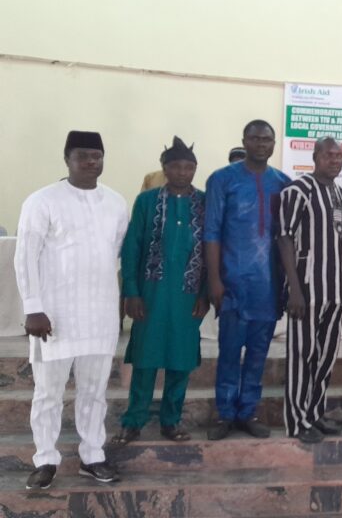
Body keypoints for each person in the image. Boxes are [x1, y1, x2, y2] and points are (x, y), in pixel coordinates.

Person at [15, 131, 128, 489]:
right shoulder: (42, 200)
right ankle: (45, 459)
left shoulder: (116, 202)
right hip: (54, 316)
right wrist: (33, 307)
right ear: (67, 159)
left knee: (94, 391)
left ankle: (92, 455)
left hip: (100, 313)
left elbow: (116, 252)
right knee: (48, 392)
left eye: (97, 155)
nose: (91, 162)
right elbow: (25, 256)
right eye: (83, 156)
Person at [112, 137, 209, 447]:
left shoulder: (205, 203)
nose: (183, 172)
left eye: (189, 167)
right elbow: (132, 248)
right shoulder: (147, 201)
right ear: (165, 168)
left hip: (188, 294)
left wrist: (205, 292)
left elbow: (211, 250)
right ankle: (134, 420)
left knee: (180, 359)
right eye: (176, 166)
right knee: (145, 358)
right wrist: (131, 291)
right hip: (150, 294)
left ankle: (171, 419)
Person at [204, 119, 290, 440]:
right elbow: (211, 232)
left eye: (266, 140)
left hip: (268, 285)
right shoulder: (222, 180)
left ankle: (248, 411)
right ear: (244, 141)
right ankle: (225, 413)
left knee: (258, 352)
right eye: (254, 139)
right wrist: (214, 279)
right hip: (231, 282)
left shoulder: (283, 183)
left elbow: (287, 237)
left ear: (273, 144)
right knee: (228, 351)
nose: (260, 144)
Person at [276, 138, 342, 443]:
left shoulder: (340, 194)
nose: (335, 160)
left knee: (325, 357)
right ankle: (297, 420)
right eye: (329, 155)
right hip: (306, 291)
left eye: (339, 156)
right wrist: (294, 288)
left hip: (335, 292)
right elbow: (284, 238)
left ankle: (314, 413)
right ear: (315, 157)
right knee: (302, 356)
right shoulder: (297, 191)